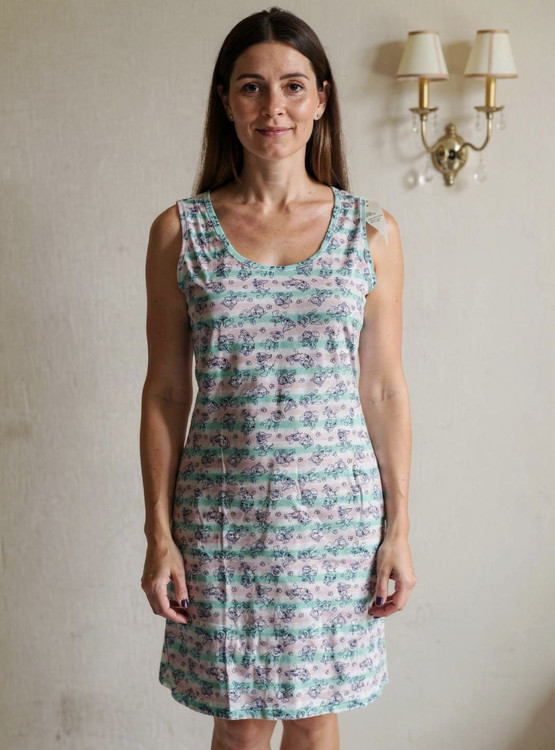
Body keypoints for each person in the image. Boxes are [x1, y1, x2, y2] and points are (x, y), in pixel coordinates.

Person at [140, 6, 416, 749]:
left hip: (335, 521)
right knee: (238, 725)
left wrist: (398, 530)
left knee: (316, 720)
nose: (274, 107)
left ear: (321, 99)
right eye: (252, 87)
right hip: (221, 520)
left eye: (293, 86)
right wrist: (159, 532)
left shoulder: (370, 230)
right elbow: (165, 392)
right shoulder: (180, 232)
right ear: (226, 102)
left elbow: (384, 389)